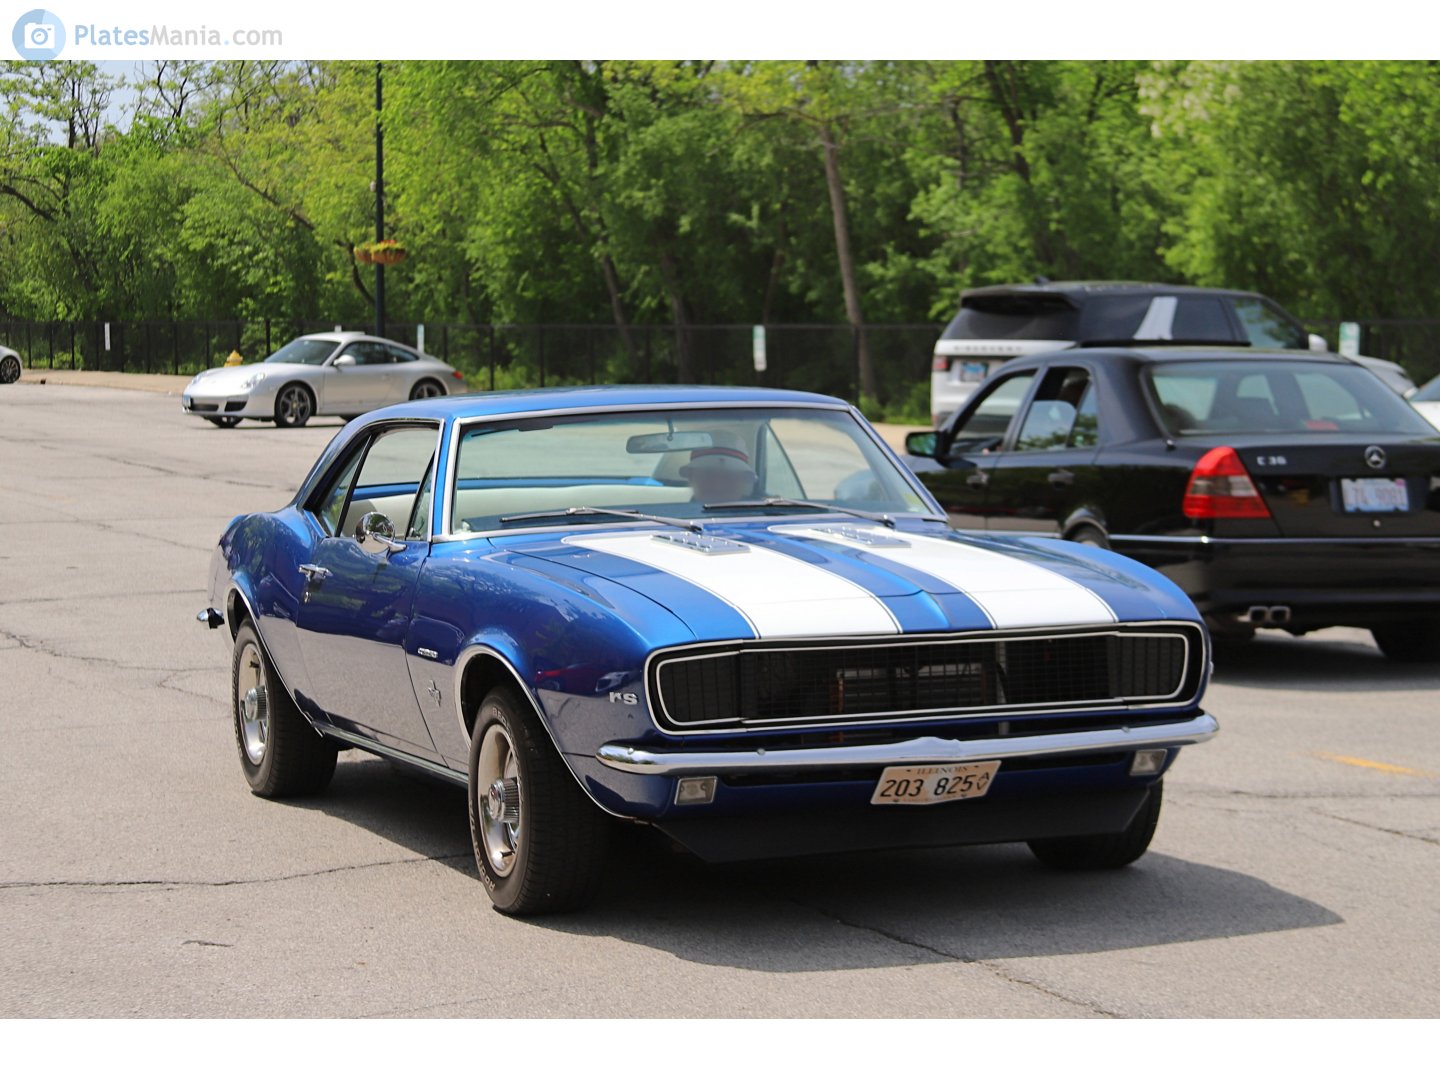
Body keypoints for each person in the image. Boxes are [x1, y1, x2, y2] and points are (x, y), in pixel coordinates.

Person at [681, 432, 758, 504]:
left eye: (728, 475)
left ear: (743, 479)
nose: (718, 485)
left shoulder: (759, 513)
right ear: (690, 477)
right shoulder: (676, 514)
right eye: (708, 474)